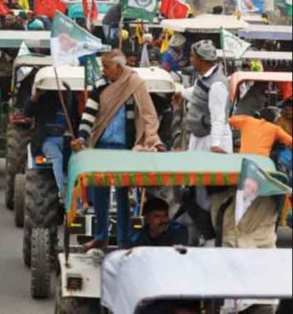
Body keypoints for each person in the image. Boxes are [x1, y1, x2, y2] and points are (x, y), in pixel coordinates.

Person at [71, 50, 165, 250]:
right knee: (100, 194)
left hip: (125, 148)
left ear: (119, 68)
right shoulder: (100, 85)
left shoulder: (134, 84)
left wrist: (154, 141)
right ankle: (101, 236)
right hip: (101, 145)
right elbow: (89, 114)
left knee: (123, 195)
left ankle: (124, 240)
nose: (103, 71)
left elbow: (148, 114)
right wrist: (81, 137)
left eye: (106, 67)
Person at [172, 40, 233, 244]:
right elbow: (197, 93)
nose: (191, 60)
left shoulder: (217, 84)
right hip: (199, 138)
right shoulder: (204, 79)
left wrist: (215, 145)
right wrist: (181, 93)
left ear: (200, 60)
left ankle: (211, 236)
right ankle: (200, 234)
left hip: (211, 139)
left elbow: (218, 117)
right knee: (195, 188)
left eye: (192, 57)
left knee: (209, 192)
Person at [25, 88, 68, 200]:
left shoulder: (68, 103)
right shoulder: (42, 101)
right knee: (57, 157)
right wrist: (36, 96)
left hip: (65, 139)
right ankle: (63, 191)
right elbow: (27, 113)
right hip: (48, 140)